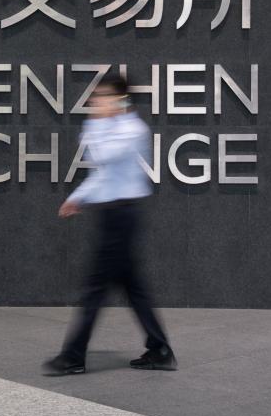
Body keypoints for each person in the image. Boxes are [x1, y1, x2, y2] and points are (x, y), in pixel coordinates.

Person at [41, 72, 177, 376]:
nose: (95, 101)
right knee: (134, 287)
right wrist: (77, 198)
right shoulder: (113, 127)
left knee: (95, 288)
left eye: (102, 96)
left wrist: (96, 122)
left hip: (121, 215)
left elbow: (104, 156)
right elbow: (102, 173)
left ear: (119, 99)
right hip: (113, 214)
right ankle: (159, 349)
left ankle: (73, 356)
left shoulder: (131, 129)